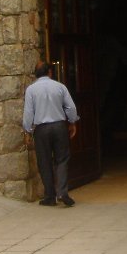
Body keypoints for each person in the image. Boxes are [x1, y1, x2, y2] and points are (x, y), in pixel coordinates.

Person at [22, 61, 79, 207]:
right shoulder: (60, 87)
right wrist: (72, 122)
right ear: (50, 73)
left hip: (41, 129)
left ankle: (49, 196)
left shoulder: (31, 90)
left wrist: (27, 130)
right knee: (62, 159)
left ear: (35, 74)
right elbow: (70, 107)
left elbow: (28, 112)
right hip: (59, 126)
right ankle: (62, 192)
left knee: (44, 161)